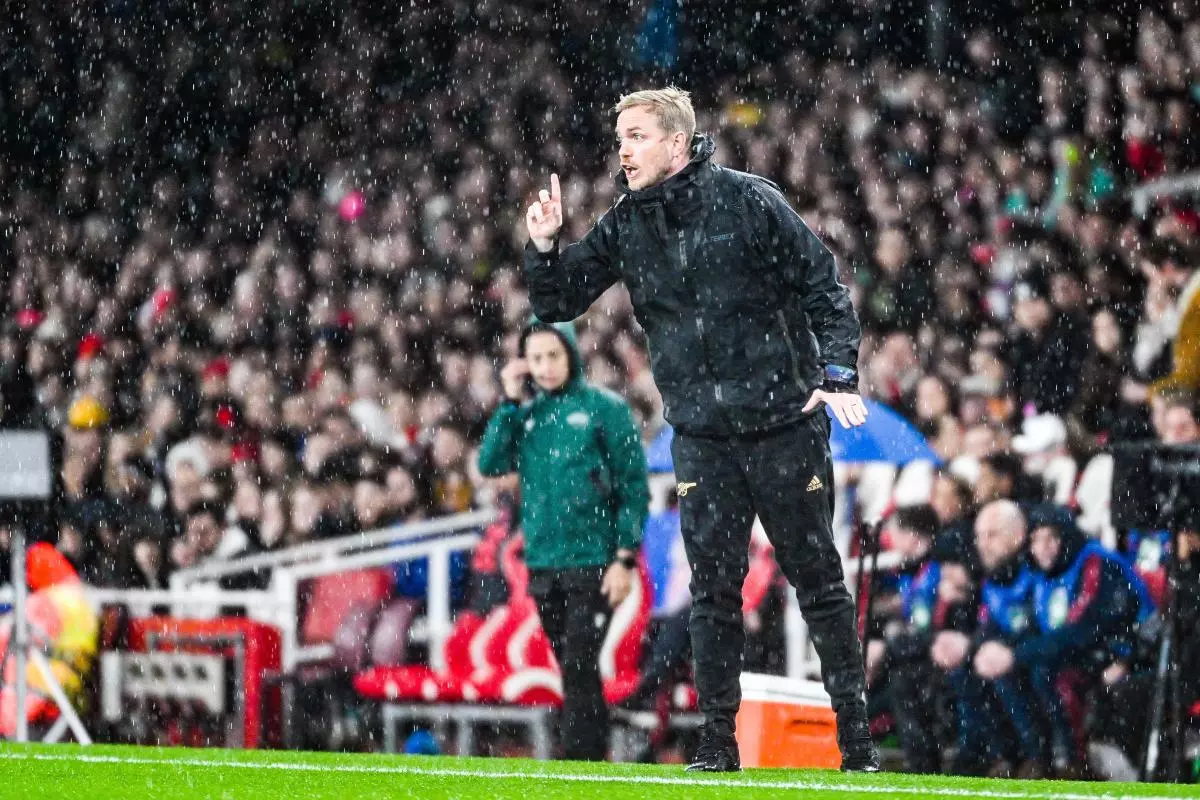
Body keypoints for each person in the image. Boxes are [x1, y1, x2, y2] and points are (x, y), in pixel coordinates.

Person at [521, 86, 878, 772]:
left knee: (819, 584)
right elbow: (559, 298)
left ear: (676, 144)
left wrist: (837, 376)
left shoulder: (750, 200)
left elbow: (823, 284)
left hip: (783, 425)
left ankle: (856, 746)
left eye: (636, 135)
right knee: (712, 593)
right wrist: (543, 247)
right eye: (619, 136)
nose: (622, 149)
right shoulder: (627, 222)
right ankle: (717, 746)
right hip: (701, 435)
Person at [477, 319, 649, 761]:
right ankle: (595, 759)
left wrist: (624, 558)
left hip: (593, 561)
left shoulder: (605, 409)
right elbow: (491, 462)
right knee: (575, 668)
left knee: (577, 663)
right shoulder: (528, 416)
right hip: (543, 564)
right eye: (536, 358)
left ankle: (580, 762)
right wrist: (509, 402)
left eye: (553, 355)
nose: (546, 366)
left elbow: (633, 488)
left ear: (570, 353)